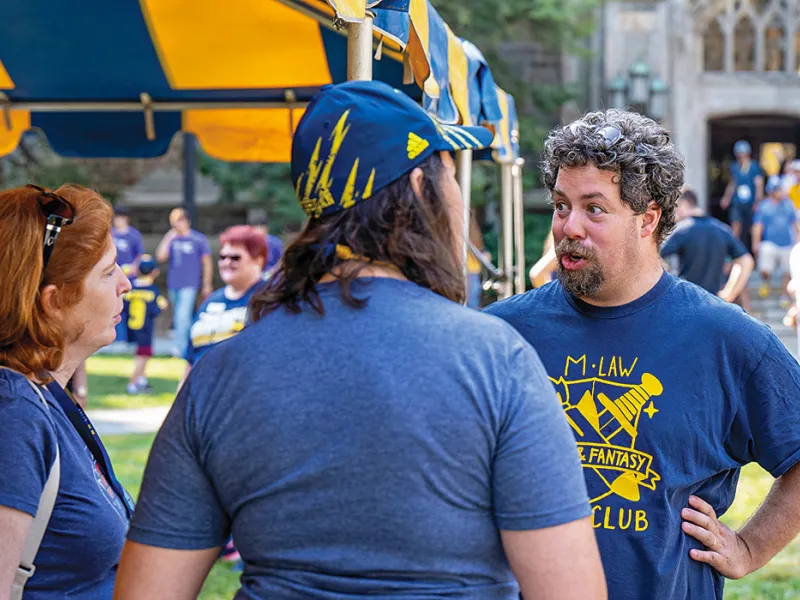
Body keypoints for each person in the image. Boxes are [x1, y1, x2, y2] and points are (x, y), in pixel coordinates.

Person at [114, 80, 606, 600]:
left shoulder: (221, 372)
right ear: (420, 186)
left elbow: (146, 590)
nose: (458, 196)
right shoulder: (495, 360)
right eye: (451, 174)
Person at [485, 109, 800, 600]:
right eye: (561, 205)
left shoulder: (726, 339)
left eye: (594, 208)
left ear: (647, 219)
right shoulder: (502, 334)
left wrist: (749, 548)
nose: (569, 227)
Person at [0, 184, 134, 598]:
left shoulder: (41, 393)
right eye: (108, 272)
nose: (125, 284)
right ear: (53, 302)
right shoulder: (13, 413)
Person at [184, 225, 266, 374]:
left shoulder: (271, 301)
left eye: (235, 257)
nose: (226, 262)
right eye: (222, 257)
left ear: (258, 260)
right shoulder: (211, 301)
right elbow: (190, 360)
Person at [661, 188, 754, 301]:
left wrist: (666, 276)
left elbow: (653, 255)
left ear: (683, 204)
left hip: (685, 300)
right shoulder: (721, 229)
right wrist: (730, 293)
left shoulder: (681, 230)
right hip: (713, 302)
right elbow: (746, 261)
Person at [155, 208, 212, 358]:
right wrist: (169, 236)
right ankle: (188, 344)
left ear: (187, 221)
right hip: (174, 283)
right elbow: (160, 256)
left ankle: (180, 349)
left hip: (190, 283)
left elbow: (207, 262)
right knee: (179, 316)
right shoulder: (173, 239)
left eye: (178, 221)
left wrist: (207, 283)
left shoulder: (198, 239)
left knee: (183, 316)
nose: (175, 224)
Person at [123, 254, 168, 395]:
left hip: (132, 325)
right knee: (143, 355)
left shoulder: (131, 287)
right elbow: (155, 310)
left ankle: (142, 379)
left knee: (141, 354)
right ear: (154, 272)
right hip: (145, 327)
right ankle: (132, 383)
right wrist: (162, 306)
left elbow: (123, 304)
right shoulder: (152, 291)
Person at [752, 175, 798, 301]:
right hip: (769, 243)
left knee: (787, 272)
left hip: (787, 243)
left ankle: (784, 296)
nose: (781, 191)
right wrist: (755, 243)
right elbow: (758, 226)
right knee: (765, 270)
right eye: (778, 189)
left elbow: (795, 224)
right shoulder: (764, 206)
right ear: (772, 191)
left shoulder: (788, 204)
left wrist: (798, 241)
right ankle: (766, 284)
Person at [720, 139, 764, 250]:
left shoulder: (754, 167)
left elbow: (759, 184)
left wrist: (758, 201)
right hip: (737, 202)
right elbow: (732, 184)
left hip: (750, 203)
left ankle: (755, 254)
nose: (741, 156)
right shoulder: (735, 167)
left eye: (742, 154)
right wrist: (726, 198)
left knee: (752, 228)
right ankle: (735, 253)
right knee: (736, 228)